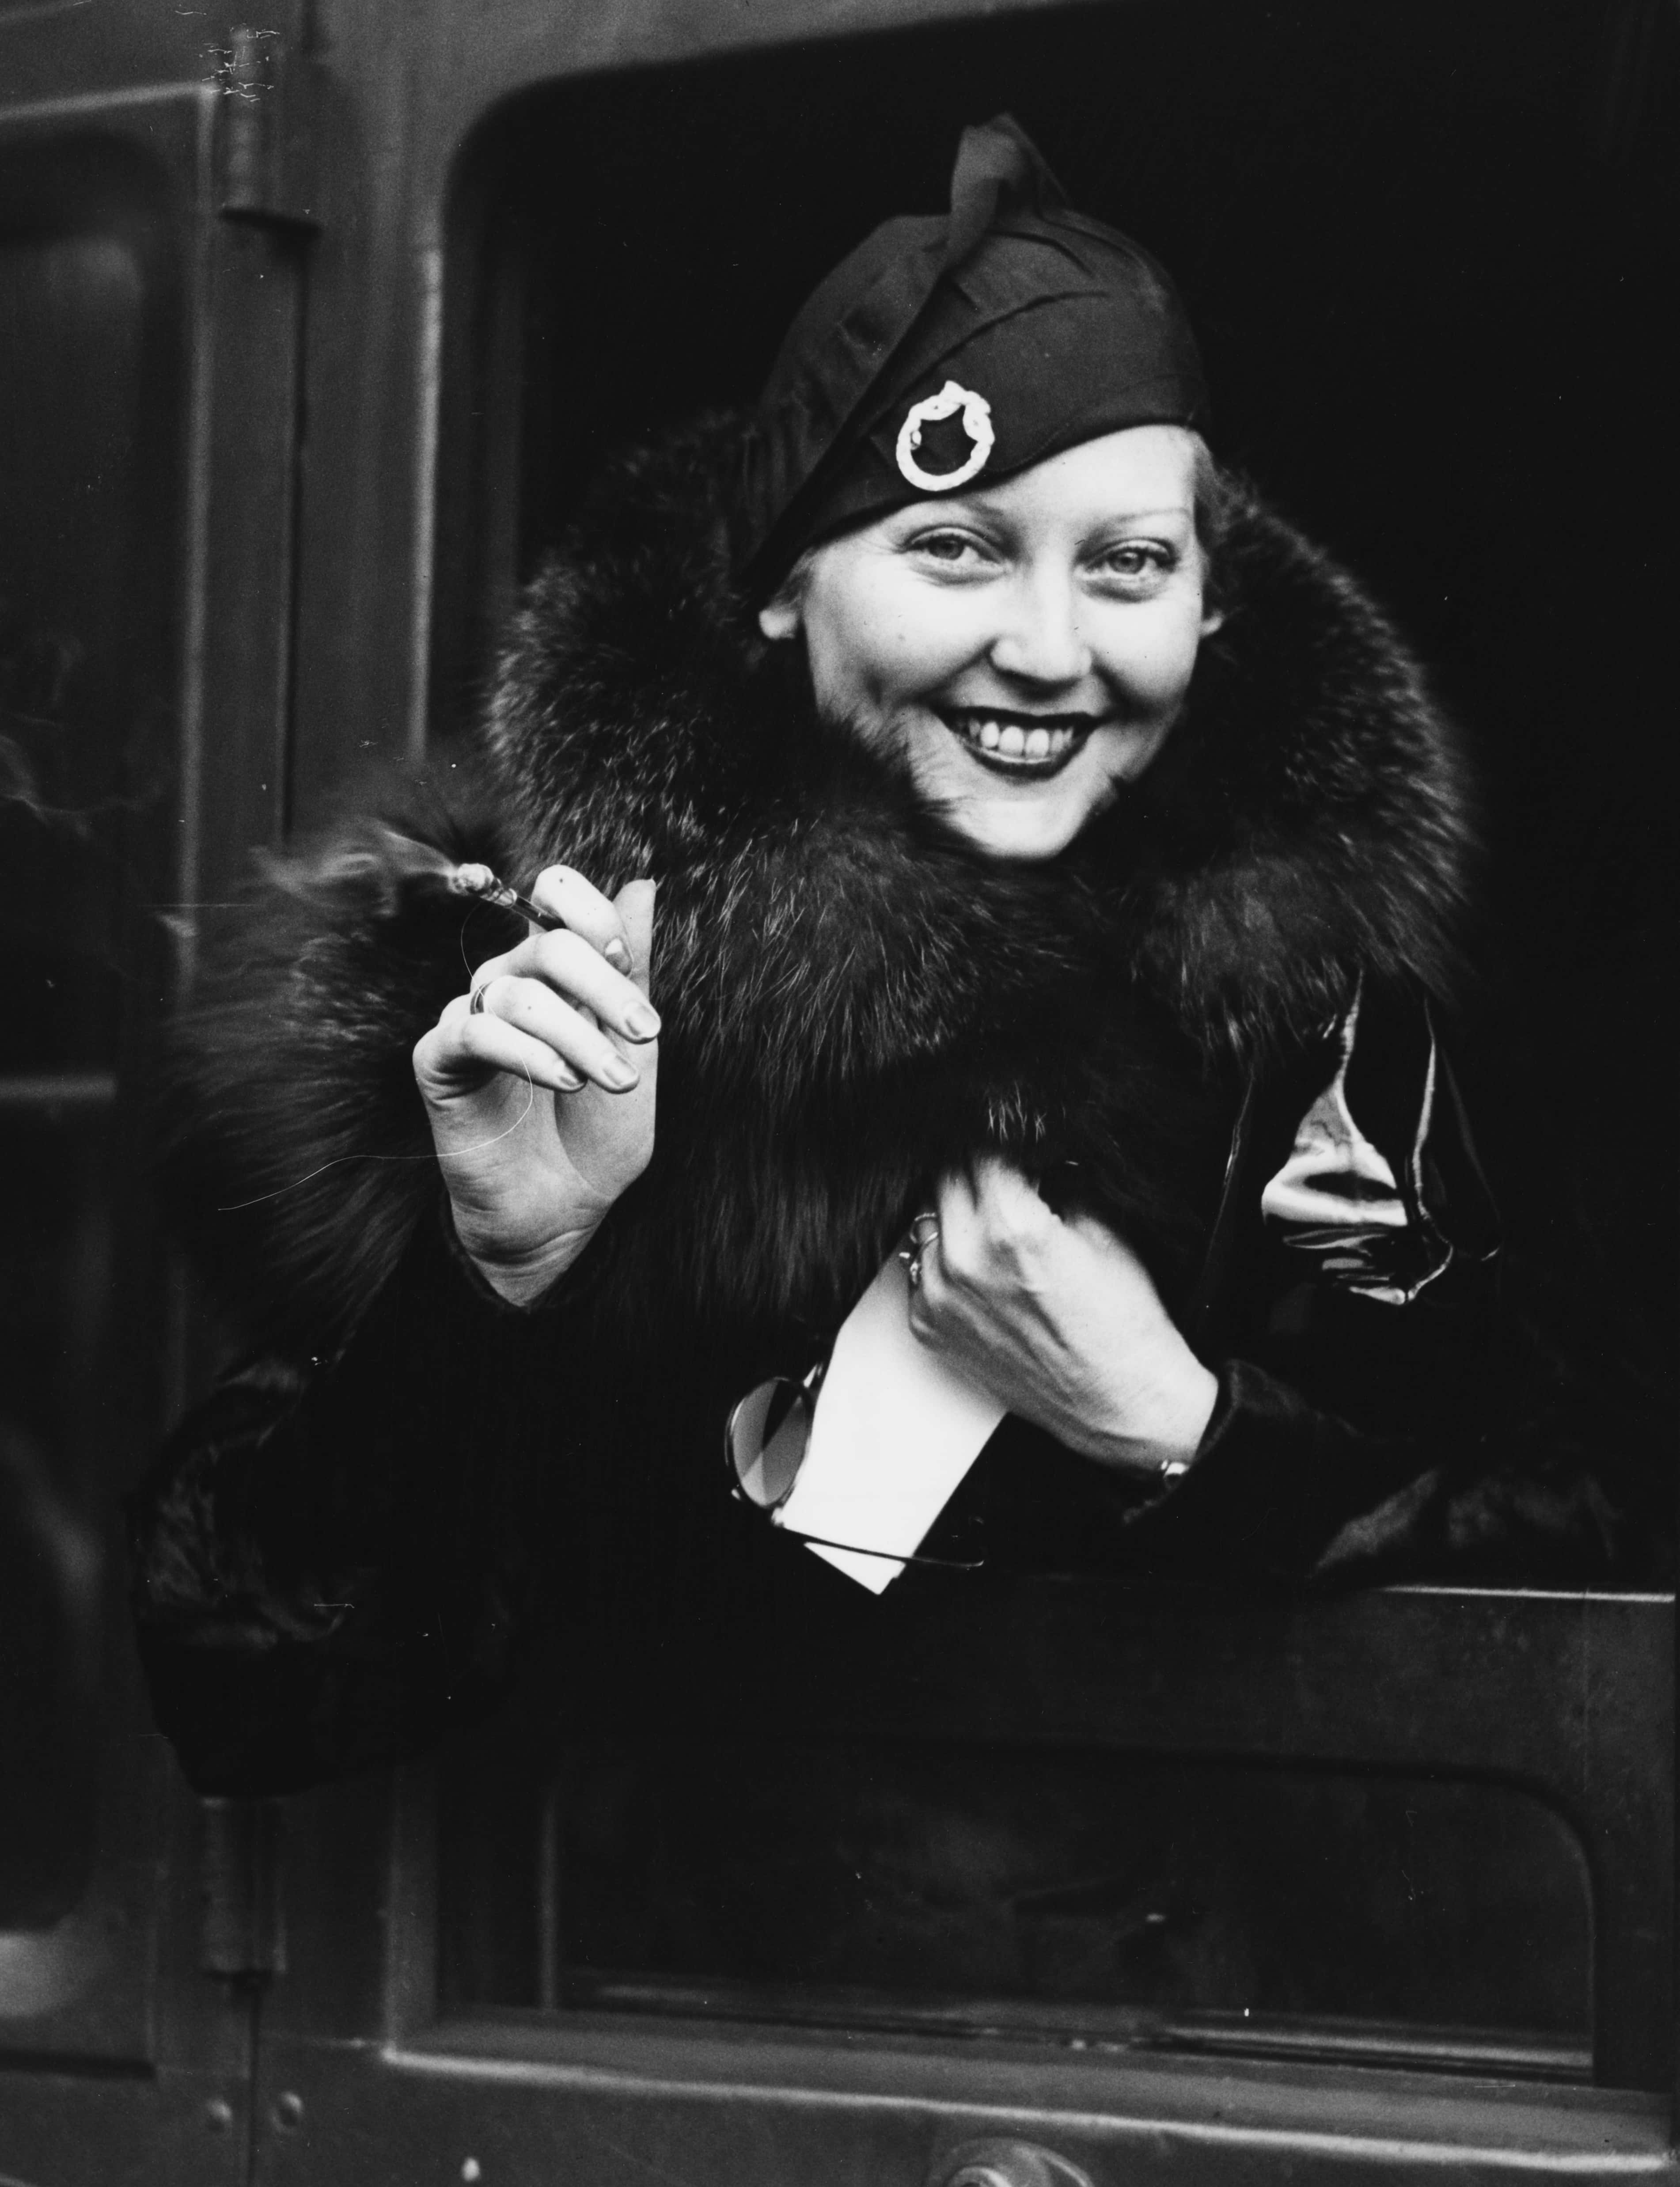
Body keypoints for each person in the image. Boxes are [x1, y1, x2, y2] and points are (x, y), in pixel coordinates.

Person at [130, 118, 1668, 1799]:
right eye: (954, 546)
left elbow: (1591, 1543)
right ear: (780, 587)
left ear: (1211, 607)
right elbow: (252, 1691)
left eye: (1128, 564)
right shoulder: (551, 989)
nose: (1048, 650)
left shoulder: (1346, 1016)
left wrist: (1174, 1425)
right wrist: (495, 1275)